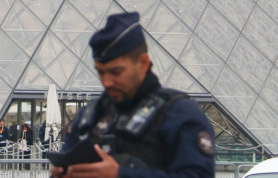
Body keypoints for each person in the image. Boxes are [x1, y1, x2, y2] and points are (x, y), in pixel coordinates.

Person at [51, 12, 215, 178]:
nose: (106, 82)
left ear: (143, 63)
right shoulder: (91, 115)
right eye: (100, 72)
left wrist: (120, 174)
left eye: (116, 72)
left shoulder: (180, 114)